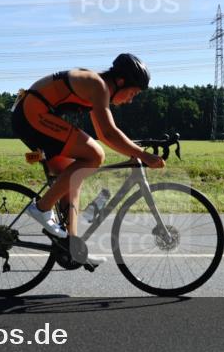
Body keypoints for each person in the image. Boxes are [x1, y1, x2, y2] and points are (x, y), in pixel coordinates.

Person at [11, 53, 165, 261]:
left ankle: (72, 248)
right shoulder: (97, 85)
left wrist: (135, 149)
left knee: (73, 178)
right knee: (94, 155)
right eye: (132, 93)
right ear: (120, 82)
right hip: (32, 114)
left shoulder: (97, 87)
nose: (130, 100)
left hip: (32, 115)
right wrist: (143, 155)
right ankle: (41, 208)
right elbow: (108, 134)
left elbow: (104, 133)